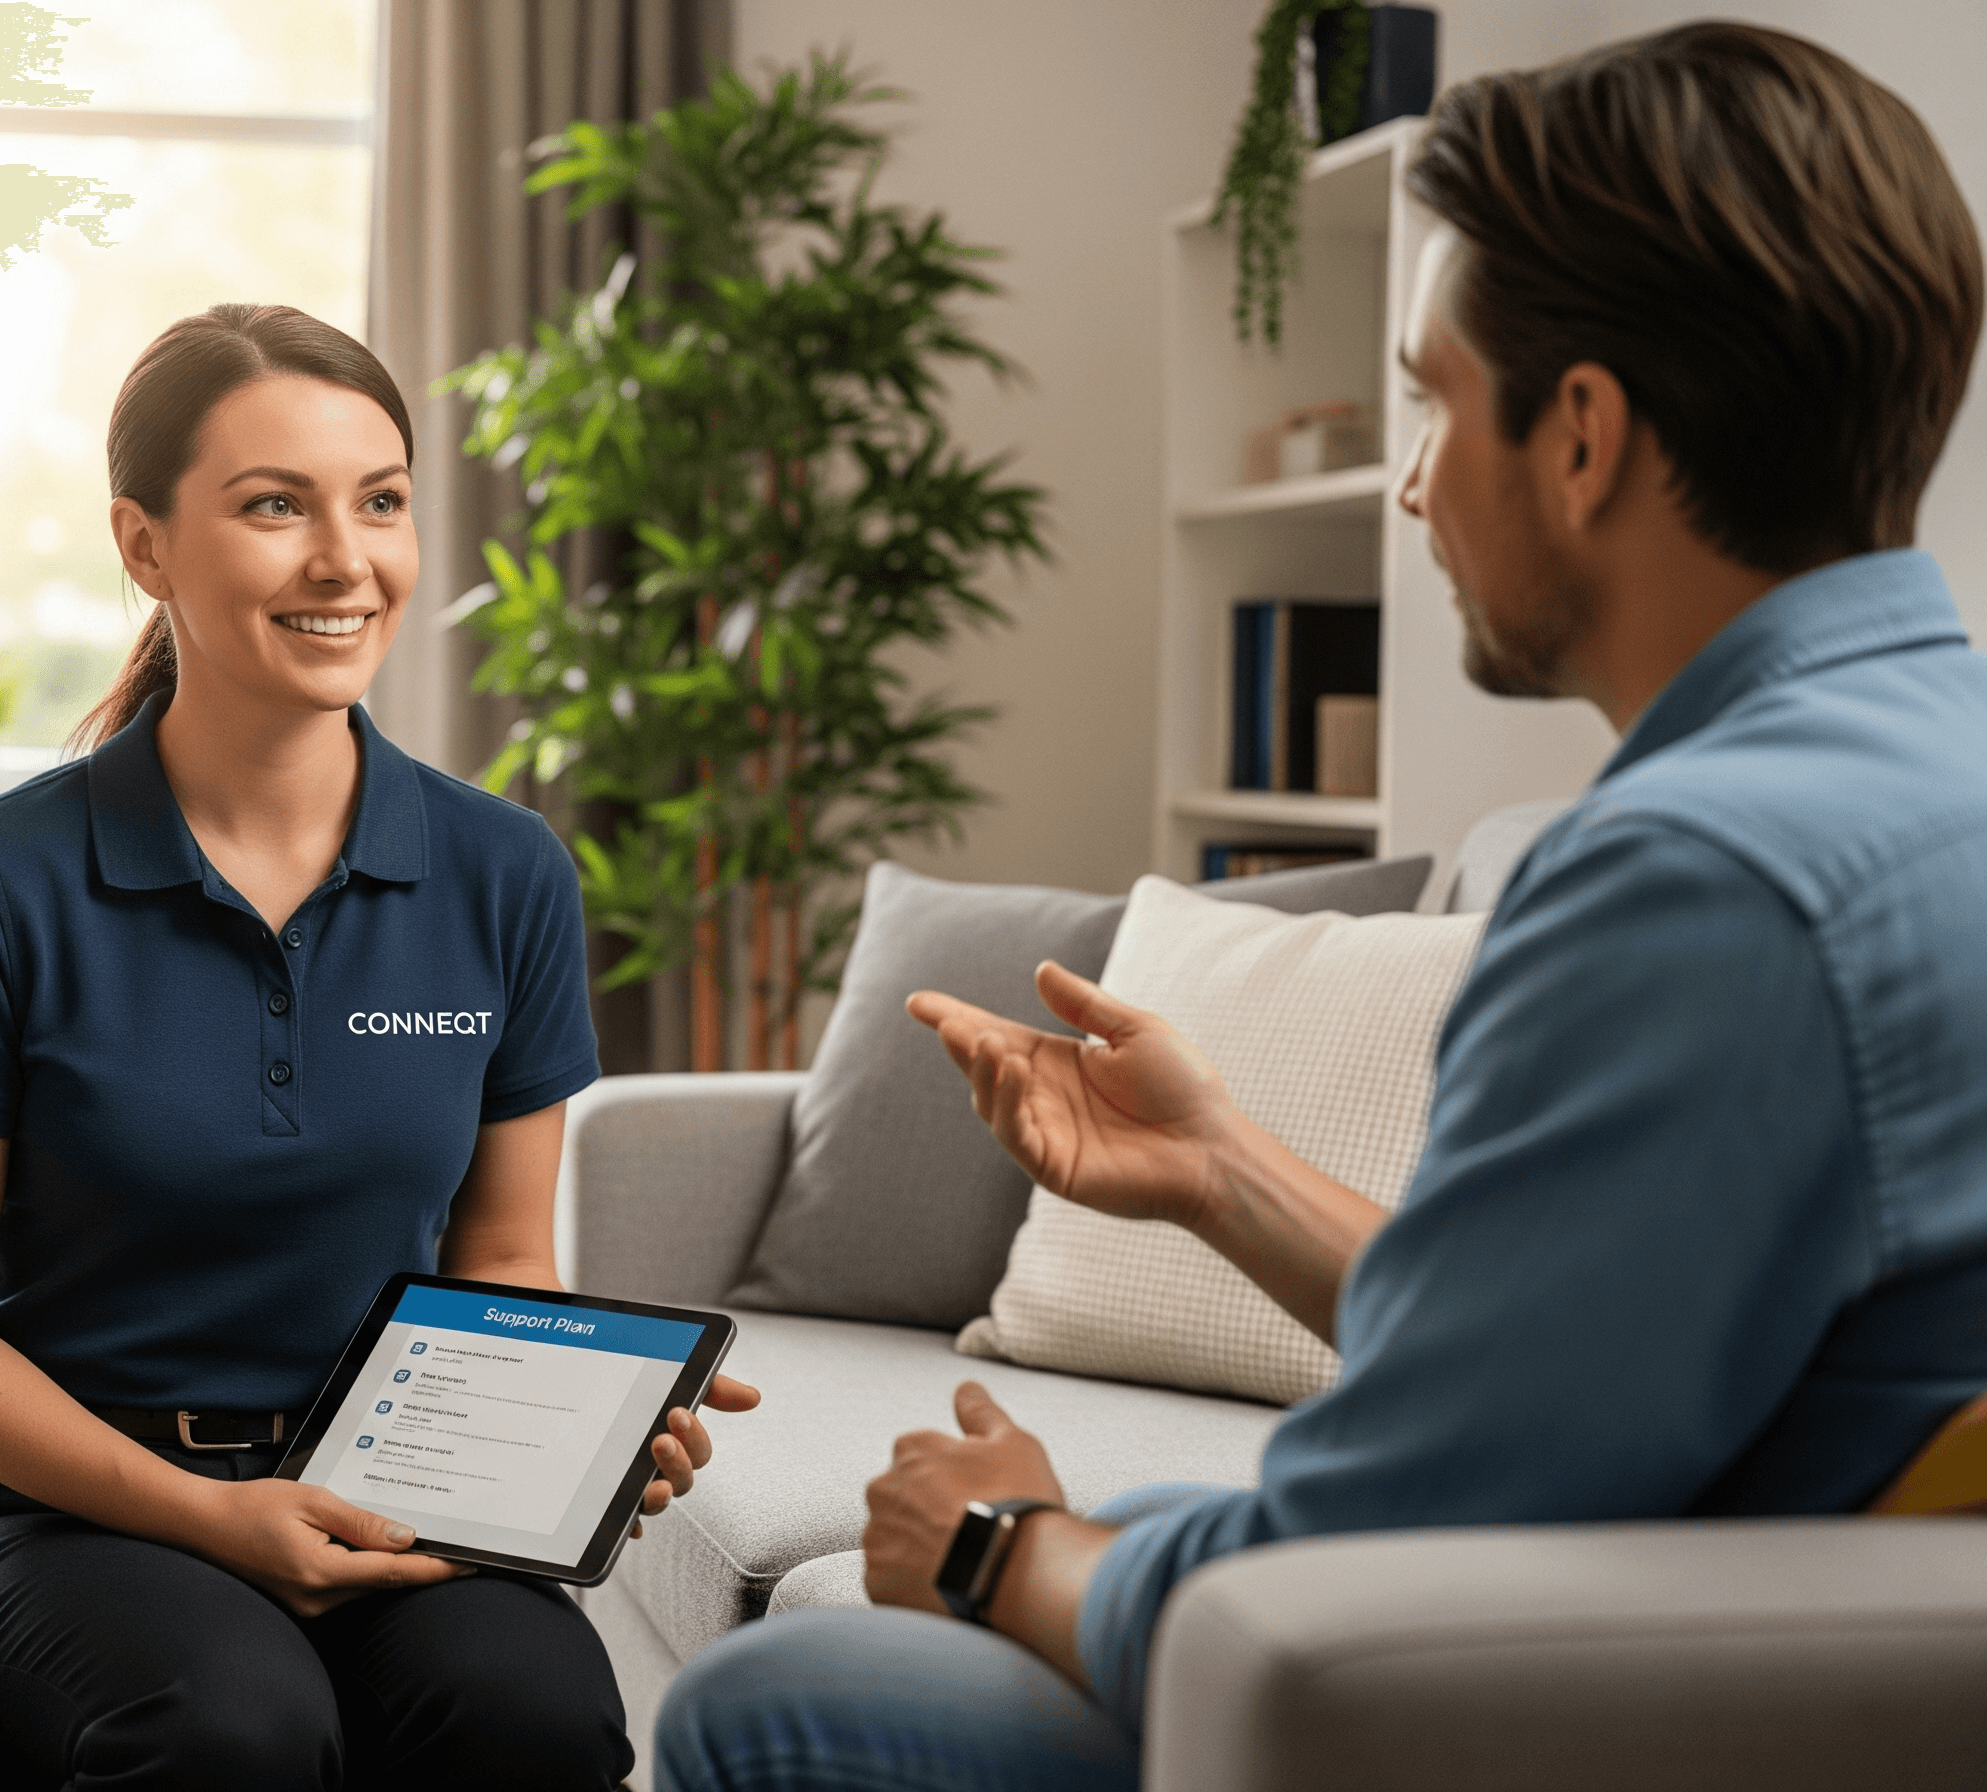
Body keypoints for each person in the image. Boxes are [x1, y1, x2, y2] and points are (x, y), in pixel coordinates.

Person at [656, 23, 1987, 1790]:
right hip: (1757, 1608)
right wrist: (1216, 1168)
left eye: (1434, 398)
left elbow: (1371, 1551)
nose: (1417, 480)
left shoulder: (1705, 880)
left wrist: (1000, 1553)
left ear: (1581, 436)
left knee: (778, 1704)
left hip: (1600, 1705)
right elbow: (1565, 1363)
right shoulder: (1924, 768)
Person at [0, 302, 756, 1791]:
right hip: (41, 1510)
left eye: (381, 501)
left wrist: (578, 1427)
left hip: (391, 1491)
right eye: (275, 506)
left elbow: (501, 1265)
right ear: (145, 546)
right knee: (235, 1726)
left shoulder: (505, 872)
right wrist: (212, 1518)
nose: (347, 560)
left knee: (538, 1713)